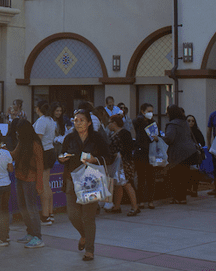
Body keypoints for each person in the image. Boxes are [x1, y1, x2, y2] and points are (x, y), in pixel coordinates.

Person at [59, 109, 109, 261]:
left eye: (81, 120)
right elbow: (62, 153)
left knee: (88, 217)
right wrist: (62, 158)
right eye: (75, 120)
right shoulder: (69, 138)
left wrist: (95, 159)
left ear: (88, 122)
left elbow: (108, 156)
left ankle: (89, 250)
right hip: (72, 178)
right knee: (73, 215)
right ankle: (84, 236)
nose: (78, 123)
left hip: (90, 180)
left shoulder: (97, 138)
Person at [11, 120, 45, 249]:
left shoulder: (34, 144)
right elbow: (14, 154)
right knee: (23, 207)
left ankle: (38, 236)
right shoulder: (23, 142)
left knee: (31, 208)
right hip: (20, 177)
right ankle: (30, 233)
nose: (17, 133)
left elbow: (40, 164)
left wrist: (40, 184)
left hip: (30, 179)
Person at [105, 114, 140, 216]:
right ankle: (117, 206)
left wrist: (120, 154)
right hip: (115, 162)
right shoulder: (112, 134)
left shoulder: (124, 133)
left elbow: (129, 147)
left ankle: (134, 207)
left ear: (114, 123)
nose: (108, 125)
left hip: (124, 162)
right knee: (118, 184)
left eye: (109, 123)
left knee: (126, 183)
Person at [163, 105, 197, 205]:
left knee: (175, 176)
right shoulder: (184, 123)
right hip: (189, 152)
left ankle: (177, 197)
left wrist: (159, 138)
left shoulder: (172, 124)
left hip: (178, 154)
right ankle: (182, 198)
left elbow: (170, 138)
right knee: (184, 176)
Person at [33, 102, 57, 225]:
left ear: (38, 109)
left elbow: (38, 139)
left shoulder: (42, 121)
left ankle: (45, 215)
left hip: (44, 152)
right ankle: (50, 213)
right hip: (51, 150)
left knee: (43, 183)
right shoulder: (51, 120)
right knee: (47, 183)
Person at [133, 102, 157, 209]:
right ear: (143, 112)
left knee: (151, 177)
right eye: (149, 111)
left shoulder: (152, 122)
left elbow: (155, 135)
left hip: (150, 151)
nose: (151, 114)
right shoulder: (138, 121)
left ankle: (150, 200)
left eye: (152, 111)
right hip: (141, 151)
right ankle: (141, 200)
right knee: (141, 177)